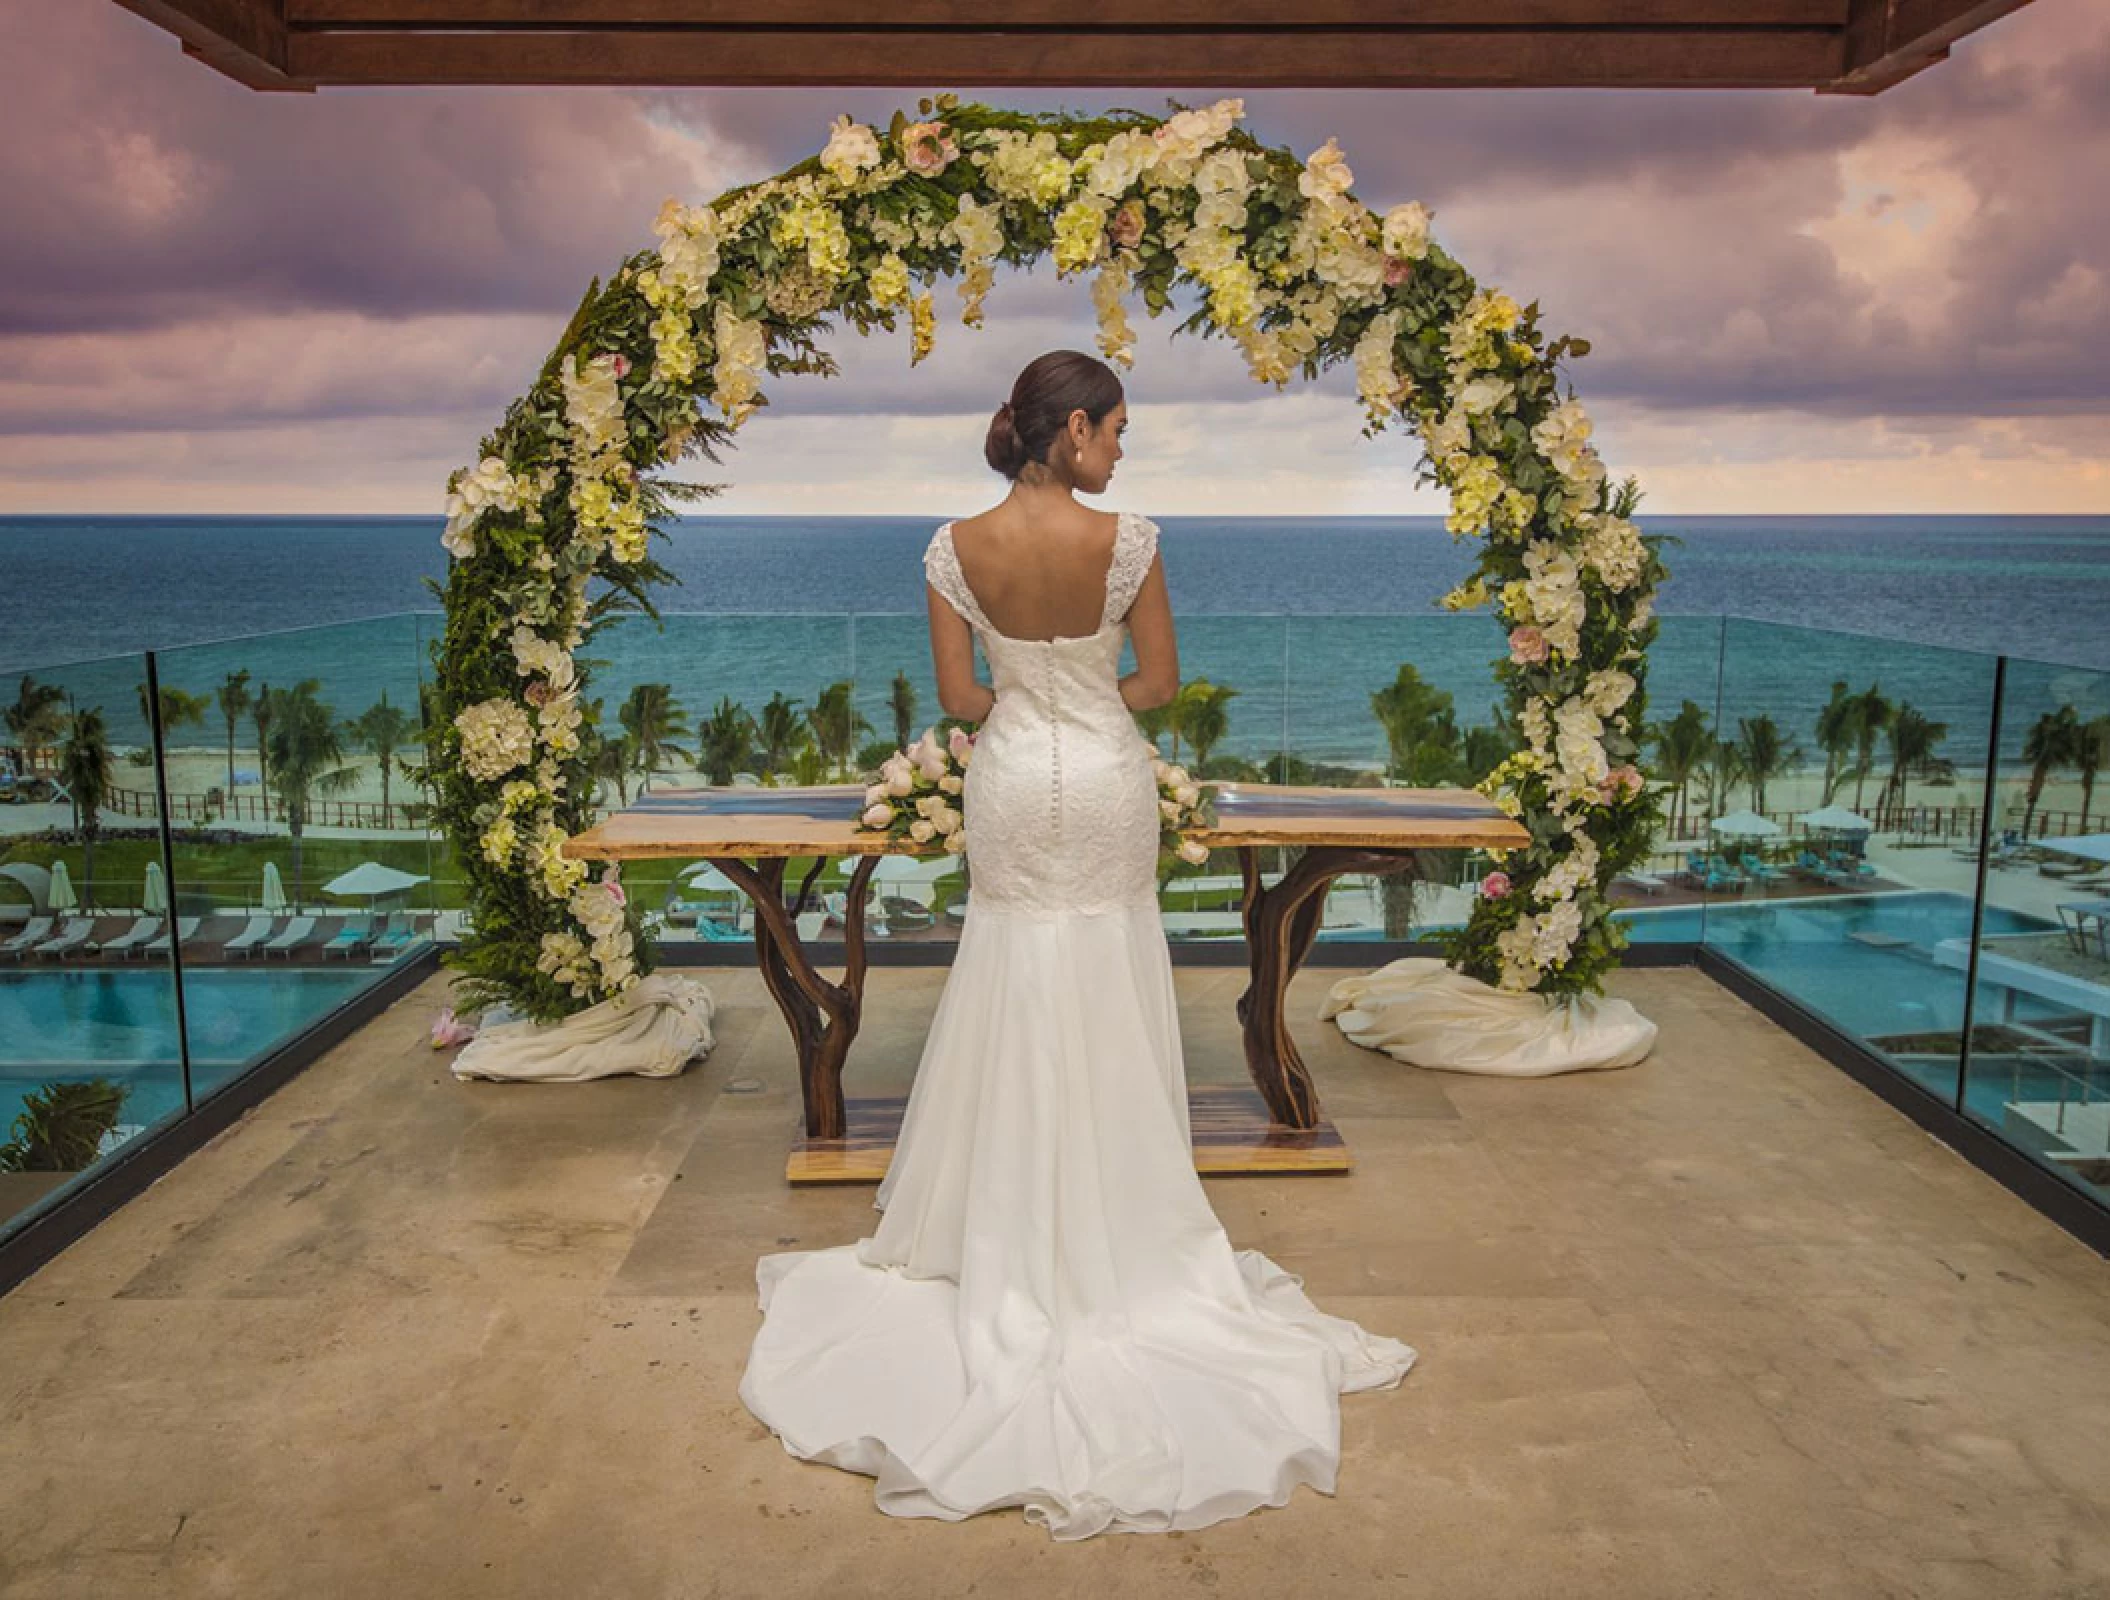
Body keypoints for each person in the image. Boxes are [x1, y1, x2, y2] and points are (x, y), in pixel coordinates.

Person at [737, 350, 1415, 1539]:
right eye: (1116, 427)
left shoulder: (952, 548)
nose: (1122, 448)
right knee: (1104, 964)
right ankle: (1117, 1221)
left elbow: (961, 699)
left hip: (1010, 783)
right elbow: (1159, 684)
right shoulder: (1130, 542)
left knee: (1012, 965)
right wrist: (1085, 694)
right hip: (1104, 778)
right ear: (1074, 430)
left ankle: (1003, 1223)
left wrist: (1028, 697)